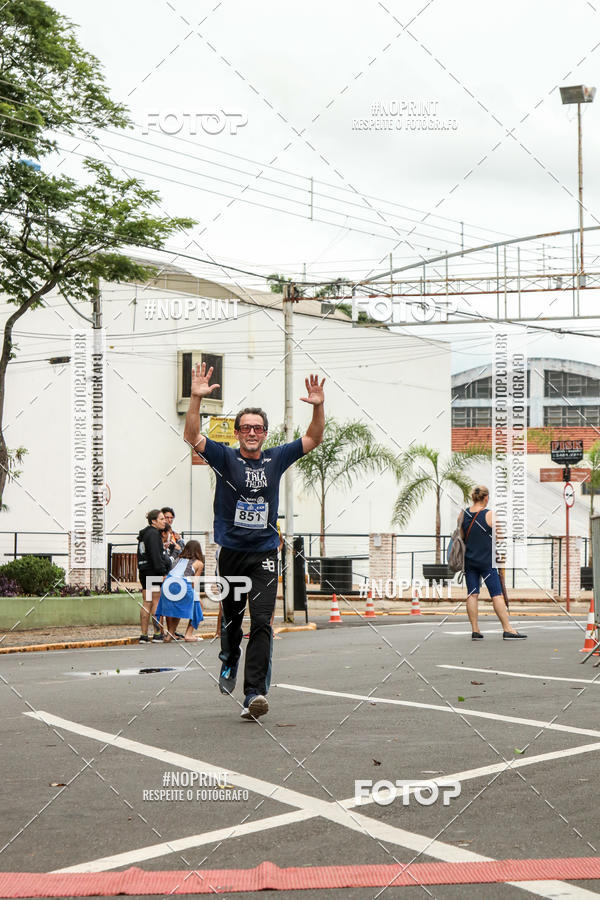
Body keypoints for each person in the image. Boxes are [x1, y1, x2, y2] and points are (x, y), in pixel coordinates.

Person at [183, 363, 325, 720]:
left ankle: (254, 694)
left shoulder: (277, 458)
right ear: (237, 432)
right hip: (231, 554)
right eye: (245, 427)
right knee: (232, 620)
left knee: (261, 622)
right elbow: (192, 437)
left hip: (264, 554)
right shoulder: (224, 457)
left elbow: (313, 438)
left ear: (264, 433)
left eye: (257, 428)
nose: (251, 432)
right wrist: (196, 399)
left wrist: (318, 406)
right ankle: (228, 658)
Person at [462, 485, 526, 641]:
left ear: (473, 498)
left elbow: (461, 537)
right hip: (487, 561)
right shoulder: (490, 515)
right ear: (486, 498)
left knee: (472, 594)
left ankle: (475, 630)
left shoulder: (462, 514)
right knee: (497, 594)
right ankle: (507, 629)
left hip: (469, 560)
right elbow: (500, 539)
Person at [155, 540, 205, 642]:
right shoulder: (199, 563)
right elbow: (194, 583)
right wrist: (197, 597)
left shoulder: (178, 559)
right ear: (198, 551)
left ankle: (169, 636)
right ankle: (189, 634)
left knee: (175, 610)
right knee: (198, 607)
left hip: (167, 584)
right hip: (182, 585)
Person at [136, 509, 172, 643]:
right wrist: (162, 571)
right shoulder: (154, 534)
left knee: (146, 602)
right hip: (153, 571)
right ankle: (157, 633)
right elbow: (156, 556)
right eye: (162, 519)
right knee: (155, 601)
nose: (165, 521)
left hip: (144, 571)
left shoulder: (144, 534)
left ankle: (143, 635)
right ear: (153, 521)